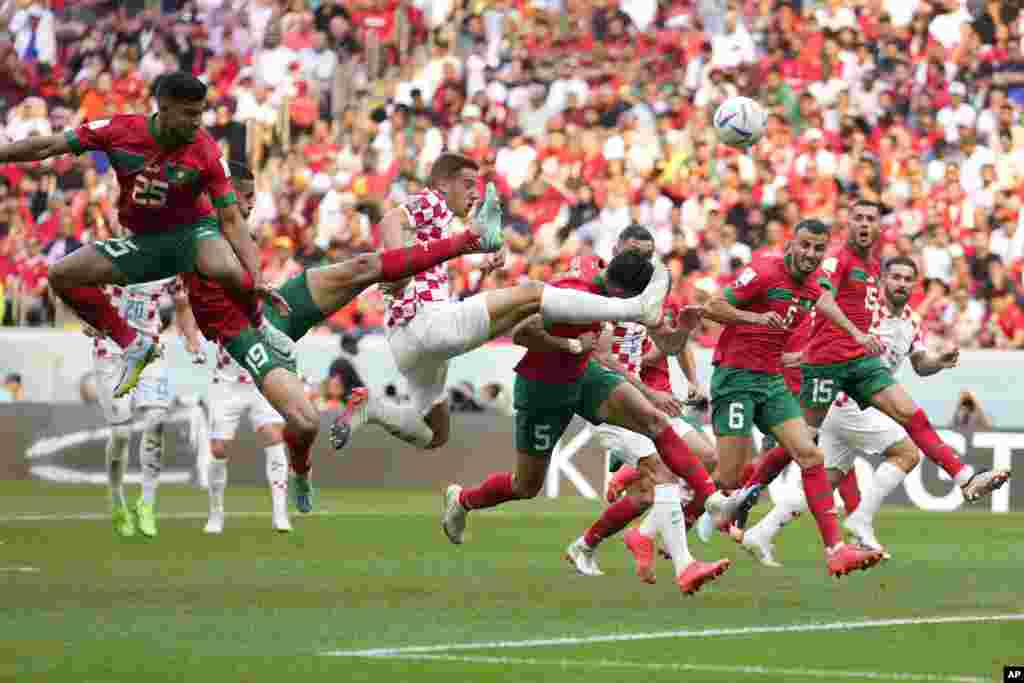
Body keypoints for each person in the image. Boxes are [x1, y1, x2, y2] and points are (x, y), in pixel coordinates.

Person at [181, 158, 506, 514]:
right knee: (305, 422)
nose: (250, 205)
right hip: (245, 333)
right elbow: (191, 295)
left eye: (252, 197)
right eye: (243, 198)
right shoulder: (191, 236)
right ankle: (301, 471)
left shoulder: (235, 228)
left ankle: (467, 243)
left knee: (364, 266)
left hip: (278, 303)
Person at [332, 153, 670, 454]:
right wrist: (397, 266)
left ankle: (372, 409)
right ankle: (634, 308)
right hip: (429, 326)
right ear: (442, 183)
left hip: (407, 341)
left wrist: (478, 267)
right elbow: (392, 219)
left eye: (476, 185)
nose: (474, 192)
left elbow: (429, 268)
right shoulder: (434, 201)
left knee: (435, 434)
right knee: (532, 294)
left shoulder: (436, 231)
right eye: (466, 184)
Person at [0, 72, 273, 400]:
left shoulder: (205, 149)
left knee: (227, 267)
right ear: (164, 108)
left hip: (193, 233)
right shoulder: (121, 131)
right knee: (62, 275)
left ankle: (263, 328)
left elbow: (231, 219)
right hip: (145, 244)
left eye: (200, 113)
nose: (197, 122)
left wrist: (255, 277)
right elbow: (49, 145)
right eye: (189, 114)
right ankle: (134, 347)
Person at [440, 251, 719, 564]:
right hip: (543, 385)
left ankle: (712, 500)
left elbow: (667, 345)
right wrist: (570, 345)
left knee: (655, 423)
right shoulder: (575, 293)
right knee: (526, 485)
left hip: (586, 374)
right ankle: (463, 500)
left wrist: (682, 329)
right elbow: (521, 332)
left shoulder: (603, 275)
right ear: (624, 294)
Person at [734, 257, 963, 563]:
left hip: (855, 407)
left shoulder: (911, 320)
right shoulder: (865, 315)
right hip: (848, 402)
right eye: (895, 276)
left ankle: (761, 533)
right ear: (881, 281)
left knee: (824, 480)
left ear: (914, 285)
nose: (901, 283)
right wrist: (804, 356)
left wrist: (940, 362)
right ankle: (861, 522)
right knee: (907, 453)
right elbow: (830, 340)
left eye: (908, 278)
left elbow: (920, 364)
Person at [700, 219, 884, 577]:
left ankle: (836, 550)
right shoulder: (764, 271)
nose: (811, 254)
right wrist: (753, 317)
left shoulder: (816, 283)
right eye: (805, 245)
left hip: (770, 381)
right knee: (729, 477)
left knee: (811, 455)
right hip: (735, 377)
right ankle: (683, 498)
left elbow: (826, 302)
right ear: (791, 244)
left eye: (818, 248)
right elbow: (713, 306)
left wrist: (857, 335)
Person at [798, 200, 1009, 504]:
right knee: (798, 445)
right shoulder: (839, 262)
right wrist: (847, 336)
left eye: (871, 219)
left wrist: (939, 361)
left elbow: (921, 365)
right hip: (832, 374)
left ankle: (964, 478)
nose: (865, 224)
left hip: (860, 371)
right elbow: (821, 301)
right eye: (858, 218)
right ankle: (741, 491)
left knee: (906, 425)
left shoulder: (904, 311)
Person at [559, 226, 728, 594]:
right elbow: (600, 357)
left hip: (637, 397)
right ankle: (684, 564)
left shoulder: (647, 291)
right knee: (664, 475)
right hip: (606, 399)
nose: (641, 261)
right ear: (617, 247)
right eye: (634, 252)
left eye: (647, 254)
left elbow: (666, 343)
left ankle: (592, 544)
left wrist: (683, 329)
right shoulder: (601, 290)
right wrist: (648, 391)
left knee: (704, 457)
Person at [87, 275, 198, 538]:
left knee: (156, 422)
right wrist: (86, 320)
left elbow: (183, 304)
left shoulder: (167, 263)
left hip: (150, 350)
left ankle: (147, 503)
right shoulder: (106, 259)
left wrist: (191, 337)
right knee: (121, 434)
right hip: (111, 352)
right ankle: (117, 501)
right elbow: (73, 289)